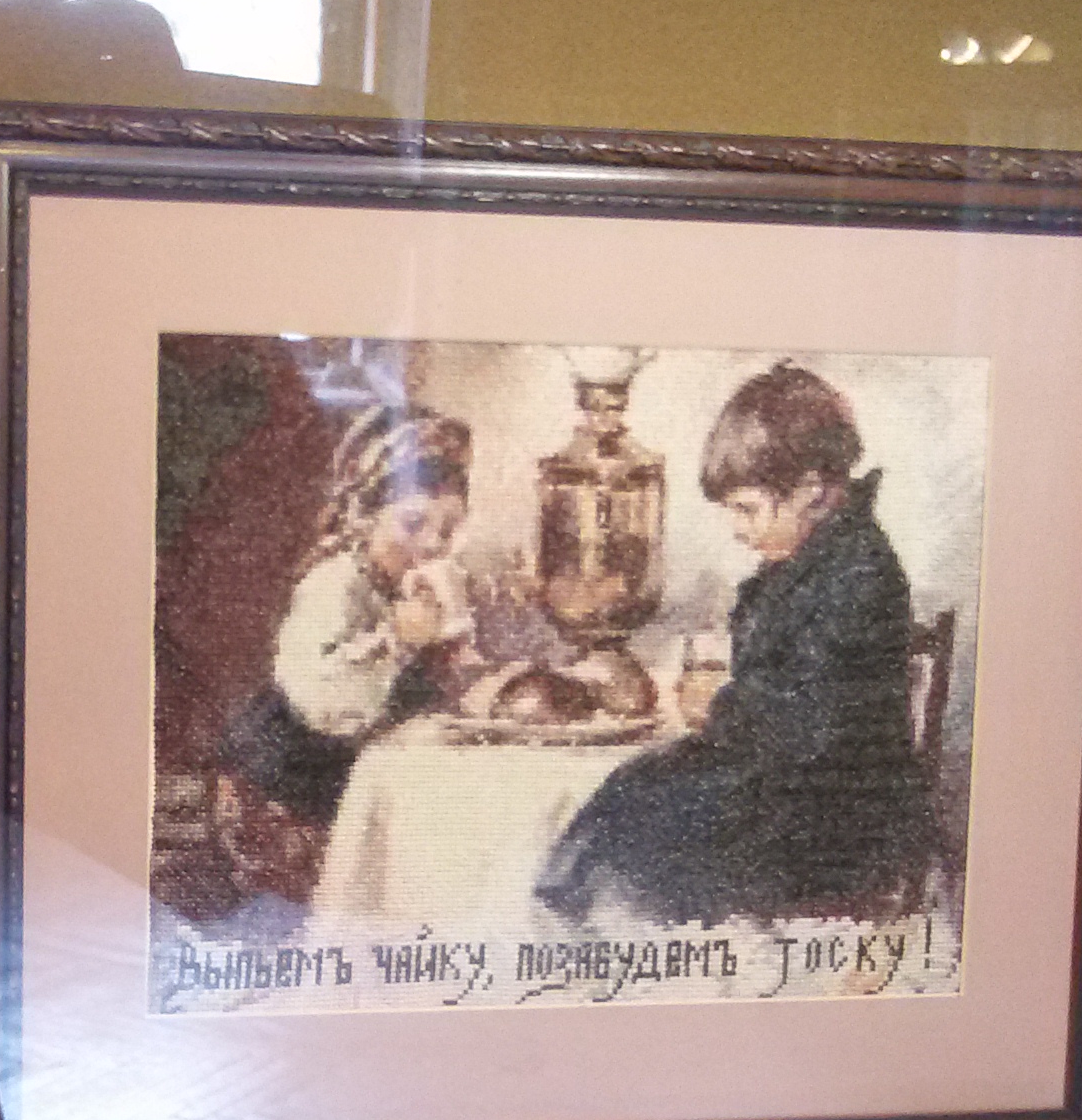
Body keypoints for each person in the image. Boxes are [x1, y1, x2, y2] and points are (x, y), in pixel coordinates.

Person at [538, 361, 928, 923]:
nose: (738, 529)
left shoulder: (858, 574)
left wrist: (723, 705)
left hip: (832, 820)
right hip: (789, 789)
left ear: (810, 492)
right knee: (635, 786)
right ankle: (573, 914)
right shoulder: (815, 562)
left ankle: (606, 932)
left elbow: (815, 724)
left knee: (648, 815)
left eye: (747, 510)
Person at [209, 404, 479, 904]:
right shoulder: (334, 584)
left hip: (360, 774)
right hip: (291, 783)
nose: (431, 545)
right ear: (365, 517)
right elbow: (322, 699)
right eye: (413, 523)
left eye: (447, 530)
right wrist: (398, 640)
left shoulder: (417, 587)